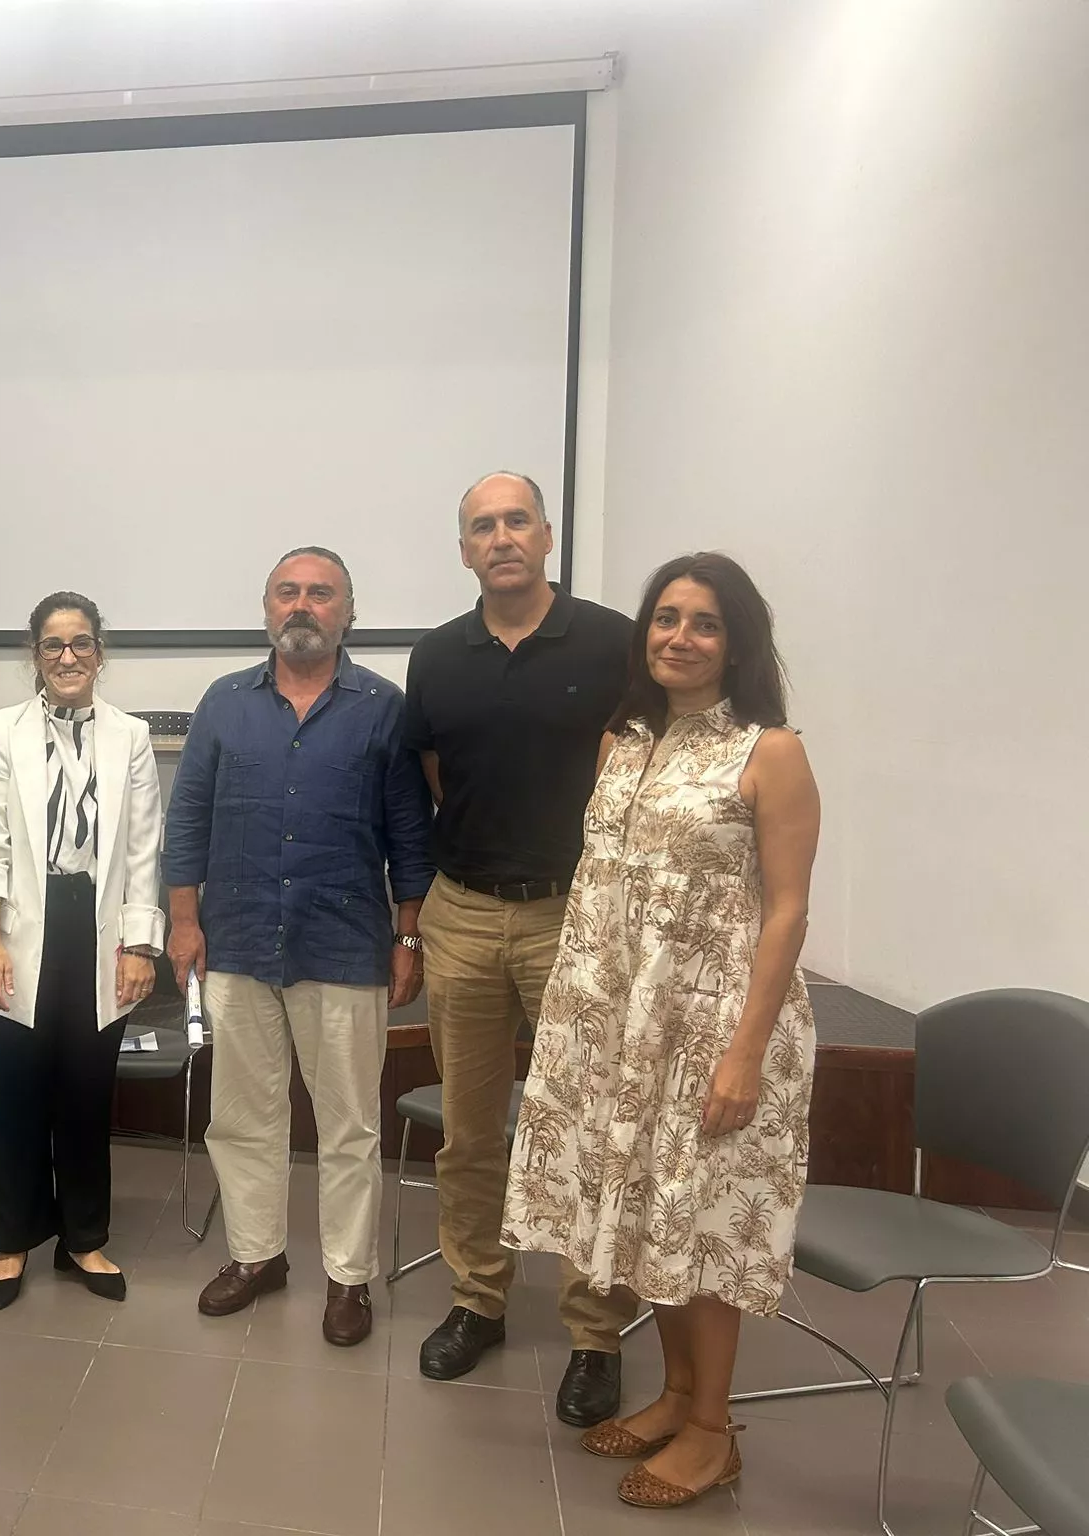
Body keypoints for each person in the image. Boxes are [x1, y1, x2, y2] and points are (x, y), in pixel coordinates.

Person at [502, 551, 819, 1509]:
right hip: (621, 1025)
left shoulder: (770, 751)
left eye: (705, 623)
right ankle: (679, 1395)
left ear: (739, 643)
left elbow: (789, 912)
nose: (680, 637)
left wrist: (745, 1052)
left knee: (704, 1226)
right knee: (649, 1222)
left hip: (714, 1028)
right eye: (666, 618)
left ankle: (716, 1431)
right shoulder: (626, 741)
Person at [400, 471, 640, 1424]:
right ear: (464, 550)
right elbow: (434, 774)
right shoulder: (436, 656)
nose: (500, 538)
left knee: (587, 1126)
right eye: (480, 527)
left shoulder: (615, 641)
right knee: (469, 1127)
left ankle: (593, 1330)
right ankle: (478, 1298)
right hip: (462, 912)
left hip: (573, 914)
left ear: (546, 536)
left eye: (516, 522)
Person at [165, 547, 433, 1348]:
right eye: (289, 593)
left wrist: (408, 933)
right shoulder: (222, 703)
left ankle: (348, 1278)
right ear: (266, 608)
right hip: (239, 942)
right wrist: (183, 920)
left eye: (321, 594)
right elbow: (188, 822)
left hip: (344, 945)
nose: (303, 606)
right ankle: (257, 1258)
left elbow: (410, 838)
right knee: (243, 1118)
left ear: (348, 612)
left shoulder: (384, 708)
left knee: (350, 1126)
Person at [0, 592, 165, 1309]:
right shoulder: (3, 732)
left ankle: (84, 1238)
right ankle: (14, 1239)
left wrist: (140, 944)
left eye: (81, 643)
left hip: (99, 925)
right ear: (35, 657)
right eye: (53, 646)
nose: (68, 657)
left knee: (87, 1090)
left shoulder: (131, 737)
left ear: (100, 653)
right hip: (22, 923)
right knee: (17, 1088)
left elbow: (144, 851)